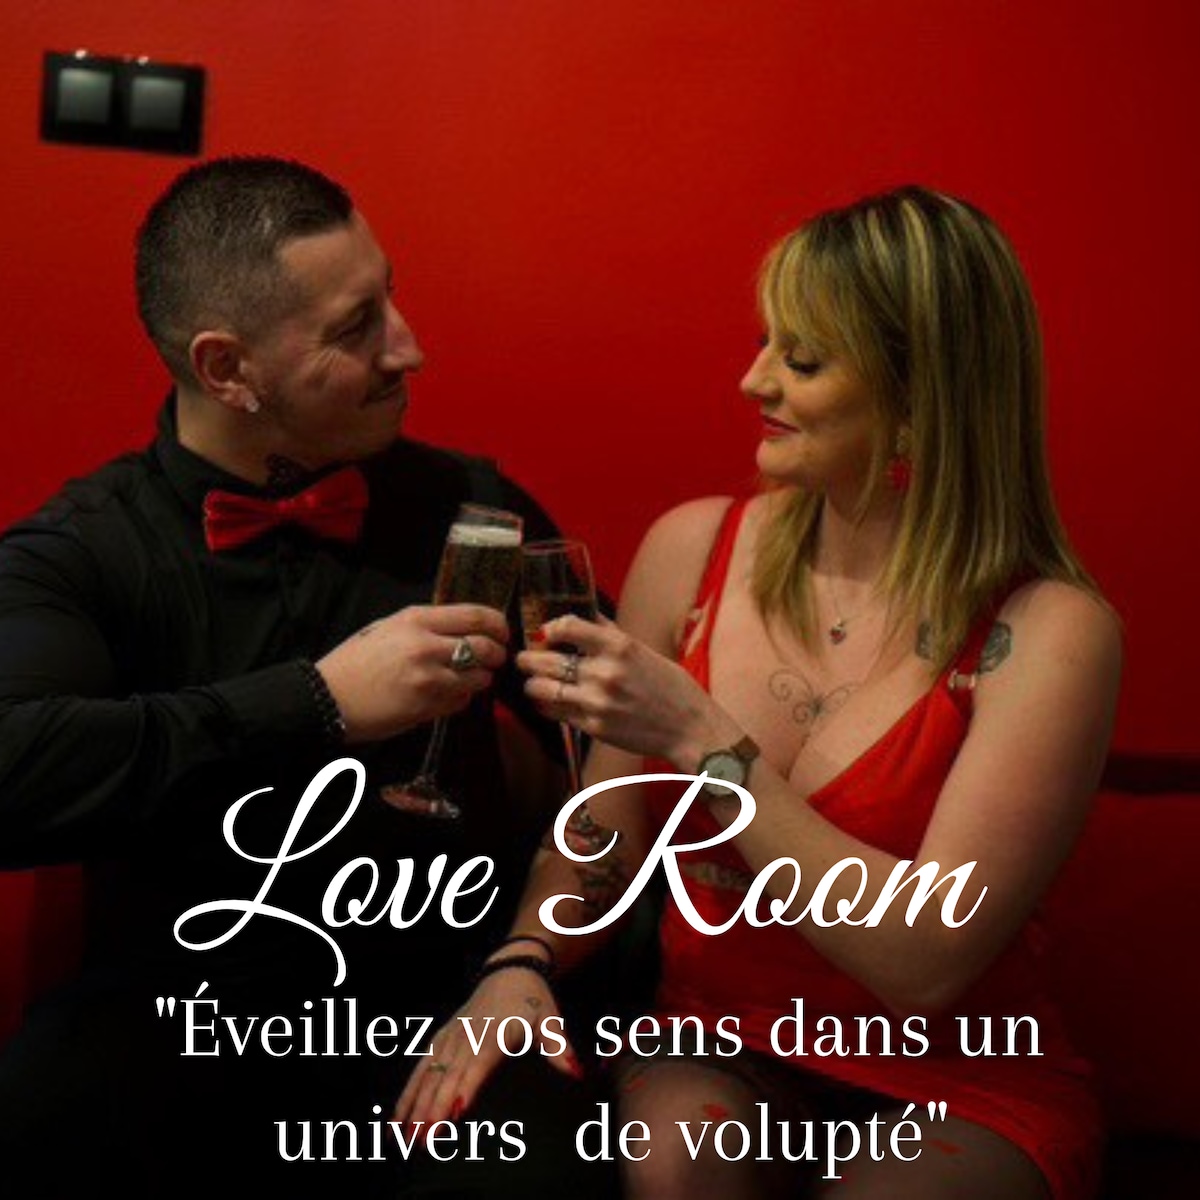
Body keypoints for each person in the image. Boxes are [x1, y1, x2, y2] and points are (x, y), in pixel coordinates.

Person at [398, 186, 1121, 1199]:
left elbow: (922, 964)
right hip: (719, 1040)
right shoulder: (693, 549)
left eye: (804, 360)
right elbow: (606, 834)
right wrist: (521, 959)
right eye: (764, 343)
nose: (753, 380)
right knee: (673, 1167)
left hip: (956, 1077)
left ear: (921, 396)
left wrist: (707, 741)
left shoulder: (1048, 631)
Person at [0, 156, 594, 1197]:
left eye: (389, 299)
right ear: (227, 368)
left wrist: (523, 961)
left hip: (438, 1007)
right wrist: (316, 703)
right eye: (356, 327)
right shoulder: (82, 550)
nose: (409, 347)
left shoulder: (476, 512)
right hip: (177, 1014)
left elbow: (613, 759)